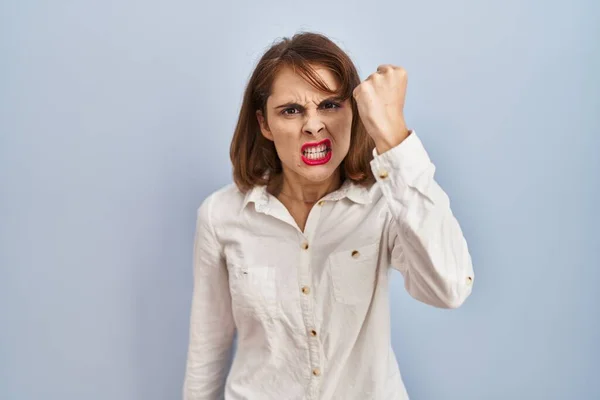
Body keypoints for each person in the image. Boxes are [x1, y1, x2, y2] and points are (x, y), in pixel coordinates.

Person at [183, 31, 474, 400]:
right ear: (264, 124)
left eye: (330, 105)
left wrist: (394, 137)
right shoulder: (220, 215)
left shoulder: (385, 203)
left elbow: (448, 288)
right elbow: (207, 346)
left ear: (355, 113)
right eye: (291, 110)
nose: (313, 125)